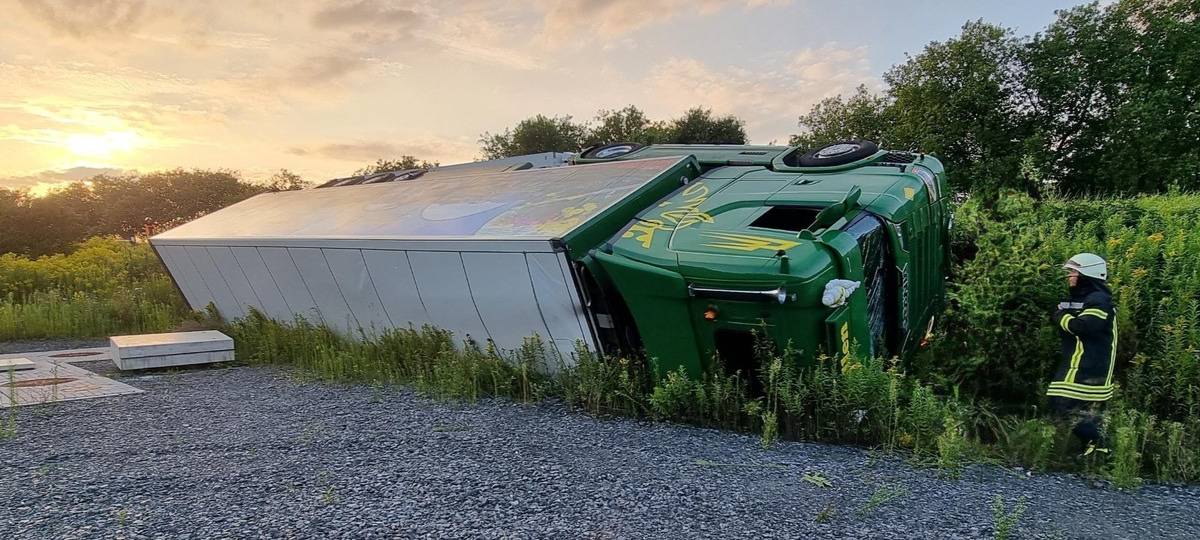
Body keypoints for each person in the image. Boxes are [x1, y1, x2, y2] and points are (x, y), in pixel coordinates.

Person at [1049, 253, 1118, 450]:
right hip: (1078, 362)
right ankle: (1095, 451)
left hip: (1089, 365)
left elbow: (1083, 326)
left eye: (1073, 272)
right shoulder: (1085, 298)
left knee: (1063, 404)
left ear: (1086, 274)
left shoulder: (1099, 300)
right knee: (1072, 408)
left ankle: (1099, 446)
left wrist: (1060, 316)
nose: (1069, 276)